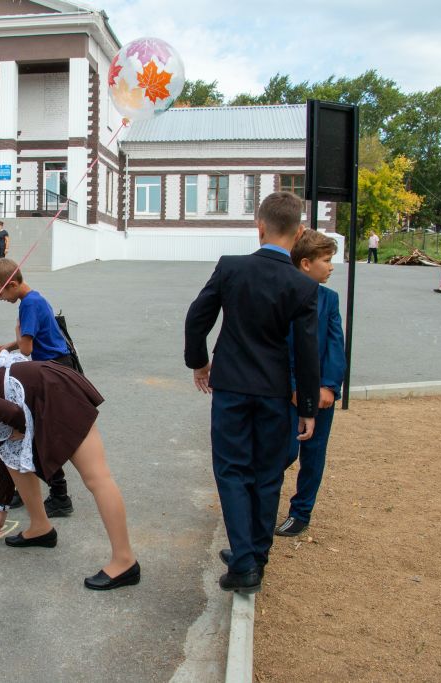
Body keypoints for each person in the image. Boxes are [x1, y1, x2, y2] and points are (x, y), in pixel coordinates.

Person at [184, 191, 320, 595]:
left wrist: (200, 362)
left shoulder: (231, 268)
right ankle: (255, 553)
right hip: (275, 393)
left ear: (259, 227)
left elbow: (197, 318)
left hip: (230, 388)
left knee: (231, 471)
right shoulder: (302, 286)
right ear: (297, 235)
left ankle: (245, 561)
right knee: (267, 474)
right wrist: (308, 407)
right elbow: (307, 352)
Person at [0, 352, 139, 590]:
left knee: (97, 478)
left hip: (57, 393)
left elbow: (16, 415)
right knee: (15, 462)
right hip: (51, 389)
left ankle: (125, 561)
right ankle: (40, 527)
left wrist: (24, 431)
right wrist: (0, 513)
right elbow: (6, 465)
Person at [0, 258, 77, 518]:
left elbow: (27, 348)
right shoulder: (34, 298)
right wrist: (7, 346)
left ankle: (58, 496)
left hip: (53, 372)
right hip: (56, 368)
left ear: (11, 284)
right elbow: (32, 337)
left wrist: (16, 334)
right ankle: (49, 493)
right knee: (34, 432)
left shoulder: (29, 305)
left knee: (36, 433)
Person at [274, 230, 346, 538]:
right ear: (306, 263)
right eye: (327, 261)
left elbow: (335, 344)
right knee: (283, 451)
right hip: (288, 393)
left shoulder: (329, 299)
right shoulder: (285, 297)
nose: (331, 267)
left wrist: (328, 387)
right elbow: (283, 346)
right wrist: (293, 386)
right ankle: (264, 504)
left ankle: (301, 512)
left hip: (320, 394)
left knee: (314, 454)